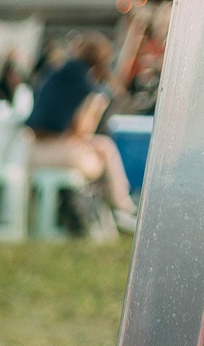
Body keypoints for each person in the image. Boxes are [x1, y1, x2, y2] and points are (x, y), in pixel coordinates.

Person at [23, 32, 135, 231]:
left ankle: (118, 208)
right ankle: (122, 208)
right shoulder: (88, 86)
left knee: (101, 147)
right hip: (58, 153)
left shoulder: (53, 73)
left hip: (30, 149)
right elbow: (81, 131)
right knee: (105, 149)